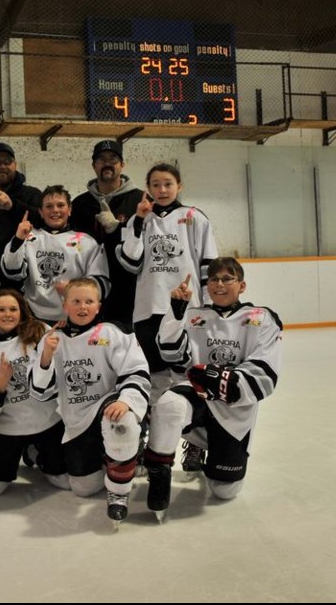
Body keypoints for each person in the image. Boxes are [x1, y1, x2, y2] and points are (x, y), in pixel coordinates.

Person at [143, 258, 282, 523]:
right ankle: (159, 476)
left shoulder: (261, 318)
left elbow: (264, 375)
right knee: (169, 405)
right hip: (195, 395)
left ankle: (209, 444)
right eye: (214, 279)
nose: (219, 284)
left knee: (224, 490)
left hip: (234, 412)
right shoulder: (196, 316)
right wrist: (176, 311)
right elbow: (172, 355)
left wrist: (217, 377)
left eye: (227, 279)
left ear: (242, 285)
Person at [114, 162, 218, 468]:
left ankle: (196, 442)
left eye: (168, 184)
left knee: (192, 378)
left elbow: (208, 263)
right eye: (156, 184)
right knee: (155, 379)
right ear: (148, 188)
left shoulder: (193, 217)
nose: (162, 190)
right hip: (148, 310)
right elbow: (130, 263)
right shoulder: (139, 220)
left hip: (187, 310)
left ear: (179, 186)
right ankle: (152, 442)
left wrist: (209, 307)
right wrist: (137, 221)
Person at [29, 278, 151, 523]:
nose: (82, 307)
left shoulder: (114, 332)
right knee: (84, 488)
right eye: (75, 301)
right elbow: (40, 392)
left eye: (88, 301)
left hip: (108, 406)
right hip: (76, 423)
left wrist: (126, 401)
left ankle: (119, 493)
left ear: (98, 306)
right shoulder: (52, 338)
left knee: (122, 421)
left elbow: (137, 371)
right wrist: (46, 357)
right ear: (65, 306)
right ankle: (117, 457)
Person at [0, 289, 68, 495]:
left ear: (21, 312)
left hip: (47, 421)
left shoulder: (39, 331)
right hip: (6, 428)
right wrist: (0, 384)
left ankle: (34, 452)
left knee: (63, 481)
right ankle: (20, 450)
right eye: (1, 309)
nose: (7, 314)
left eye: (13, 309)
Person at [0, 185, 110, 325]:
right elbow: (11, 272)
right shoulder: (29, 237)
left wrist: (74, 288)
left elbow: (102, 284)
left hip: (75, 320)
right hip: (33, 319)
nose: (55, 210)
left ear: (69, 210)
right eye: (49, 206)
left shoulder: (87, 242)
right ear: (40, 211)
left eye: (60, 205)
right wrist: (18, 240)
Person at [69, 140, 145, 326]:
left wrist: (117, 230)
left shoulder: (139, 200)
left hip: (130, 288)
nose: (107, 163)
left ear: (122, 165)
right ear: (94, 165)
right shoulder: (80, 204)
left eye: (113, 159)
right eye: (101, 159)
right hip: (89, 291)